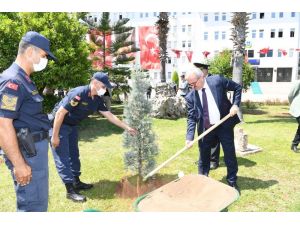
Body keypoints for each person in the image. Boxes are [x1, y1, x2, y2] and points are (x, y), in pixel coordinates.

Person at [49, 72, 137, 202]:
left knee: (74, 154)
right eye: (104, 86)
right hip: (59, 125)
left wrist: (127, 127)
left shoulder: (97, 100)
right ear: (94, 83)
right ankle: (70, 190)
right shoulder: (79, 93)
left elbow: (109, 115)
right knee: (63, 157)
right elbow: (60, 113)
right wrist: (55, 136)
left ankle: (76, 182)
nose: (105, 89)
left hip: (72, 126)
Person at [0, 31, 57, 211]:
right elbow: (3, 124)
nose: (44, 60)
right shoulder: (13, 81)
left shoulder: (24, 80)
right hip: (27, 153)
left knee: (38, 203)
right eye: (43, 55)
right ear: (30, 52)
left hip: (33, 149)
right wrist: (18, 164)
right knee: (33, 207)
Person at [185, 65, 242, 193]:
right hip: (206, 128)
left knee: (229, 154)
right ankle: (202, 179)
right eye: (190, 85)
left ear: (201, 78)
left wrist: (235, 105)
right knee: (204, 156)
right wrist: (189, 138)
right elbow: (191, 118)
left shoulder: (217, 81)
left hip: (224, 124)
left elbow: (237, 88)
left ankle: (232, 181)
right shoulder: (190, 97)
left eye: (193, 84)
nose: (192, 87)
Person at [194, 62, 220, 170]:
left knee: (214, 139)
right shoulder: (196, 81)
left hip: (213, 115)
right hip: (201, 115)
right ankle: (203, 159)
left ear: (205, 71)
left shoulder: (214, 80)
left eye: (199, 71)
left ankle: (213, 161)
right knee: (202, 138)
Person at [288, 80, 300, 153]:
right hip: (298, 109)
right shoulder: (298, 82)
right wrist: (293, 104)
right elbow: (290, 95)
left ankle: (294, 144)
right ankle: (294, 144)